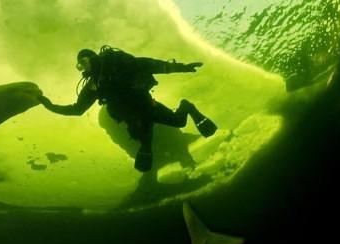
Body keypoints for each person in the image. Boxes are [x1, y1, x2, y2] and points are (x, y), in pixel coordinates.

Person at [38, 45, 217, 172]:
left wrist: (181, 67)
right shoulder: (93, 85)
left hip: (147, 106)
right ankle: (146, 147)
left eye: (83, 62)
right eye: (80, 66)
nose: (83, 69)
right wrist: (50, 106)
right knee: (141, 136)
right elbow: (77, 110)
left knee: (178, 122)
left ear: (92, 57)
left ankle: (187, 107)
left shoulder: (117, 62)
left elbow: (148, 64)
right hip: (134, 116)